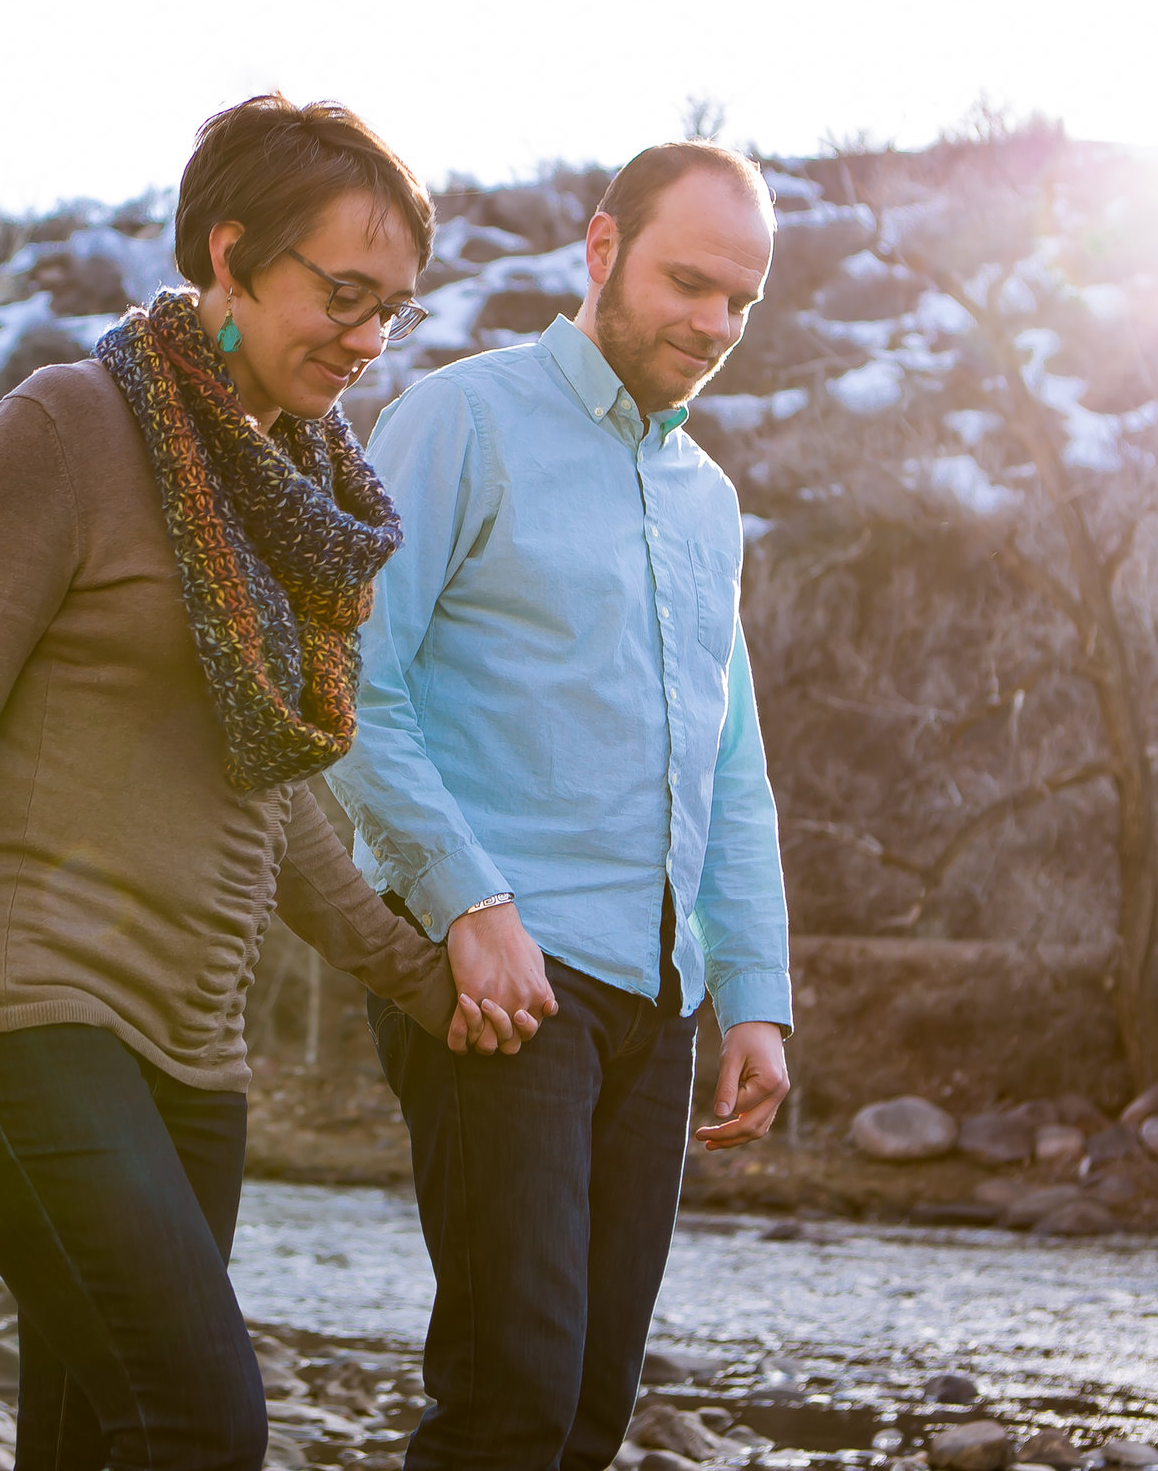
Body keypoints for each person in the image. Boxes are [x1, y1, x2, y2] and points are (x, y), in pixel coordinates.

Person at [0, 94, 534, 1471]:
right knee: (200, 1422)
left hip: (194, 1058)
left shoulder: (286, 499)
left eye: (397, 309)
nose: (370, 340)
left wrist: (418, 971)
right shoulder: (68, 432)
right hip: (21, 1016)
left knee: (94, 1437)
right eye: (342, 293)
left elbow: (277, 796)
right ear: (230, 250)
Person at [328, 139, 795, 1470]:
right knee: (509, 1402)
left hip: (659, 1000)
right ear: (602, 251)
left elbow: (729, 763)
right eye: (689, 283)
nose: (713, 325)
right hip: (499, 976)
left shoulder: (710, 503)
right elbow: (355, 685)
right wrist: (466, 899)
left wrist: (753, 991)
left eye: (741, 302)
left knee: (587, 1413)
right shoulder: (459, 419)